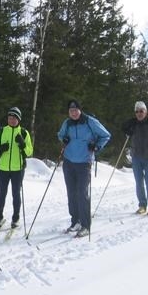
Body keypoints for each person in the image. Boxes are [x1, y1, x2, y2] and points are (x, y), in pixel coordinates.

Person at [57, 99, 111, 238]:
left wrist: (97, 146)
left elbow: (106, 135)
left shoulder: (90, 121)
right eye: (71, 111)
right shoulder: (67, 123)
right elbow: (60, 135)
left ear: (80, 110)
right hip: (69, 161)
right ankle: (75, 221)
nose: (73, 113)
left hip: (84, 162)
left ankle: (86, 225)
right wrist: (64, 140)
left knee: (82, 193)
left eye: (75, 110)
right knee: (71, 193)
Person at [0, 107, 34, 229]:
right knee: (2, 193)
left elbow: (29, 152)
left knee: (16, 193)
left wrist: (23, 144)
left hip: (17, 169)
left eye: (14, 118)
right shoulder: (1, 131)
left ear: (18, 119)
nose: (12, 120)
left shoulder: (24, 133)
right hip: (2, 168)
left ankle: (15, 218)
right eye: (10, 118)